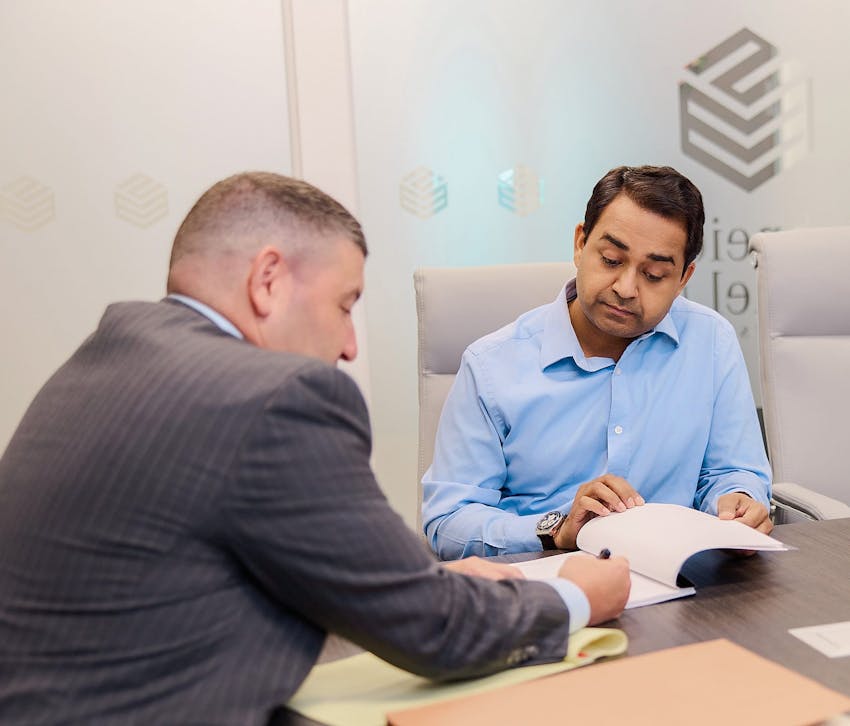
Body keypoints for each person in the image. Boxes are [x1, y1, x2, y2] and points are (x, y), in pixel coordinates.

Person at [0, 172, 630, 725]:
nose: (350, 346)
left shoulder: (112, 354)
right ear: (268, 280)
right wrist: (573, 596)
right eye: (344, 305)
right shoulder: (275, 398)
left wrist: (414, 581)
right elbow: (433, 630)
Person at [422, 165, 773, 561]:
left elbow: (732, 472)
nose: (625, 288)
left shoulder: (710, 341)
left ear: (683, 278)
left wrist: (738, 501)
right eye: (610, 260)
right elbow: (448, 521)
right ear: (580, 243)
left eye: (654, 275)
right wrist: (556, 528)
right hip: (544, 589)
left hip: (681, 588)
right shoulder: (491, 366)